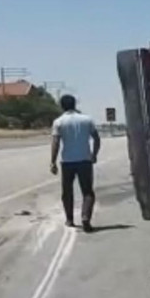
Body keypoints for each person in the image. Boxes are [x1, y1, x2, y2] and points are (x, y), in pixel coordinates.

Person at [50, 94, 100, 233]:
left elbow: (56, 142)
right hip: (84, 160)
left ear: (62, 106)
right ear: (75, 104)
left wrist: (52, 162)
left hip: (67, 162)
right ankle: (85, 217)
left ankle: (70, 219)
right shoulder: (87, 119)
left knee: (67, 191)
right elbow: (96, 138)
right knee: (88, 192)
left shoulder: (59, 122)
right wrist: (94, 155)